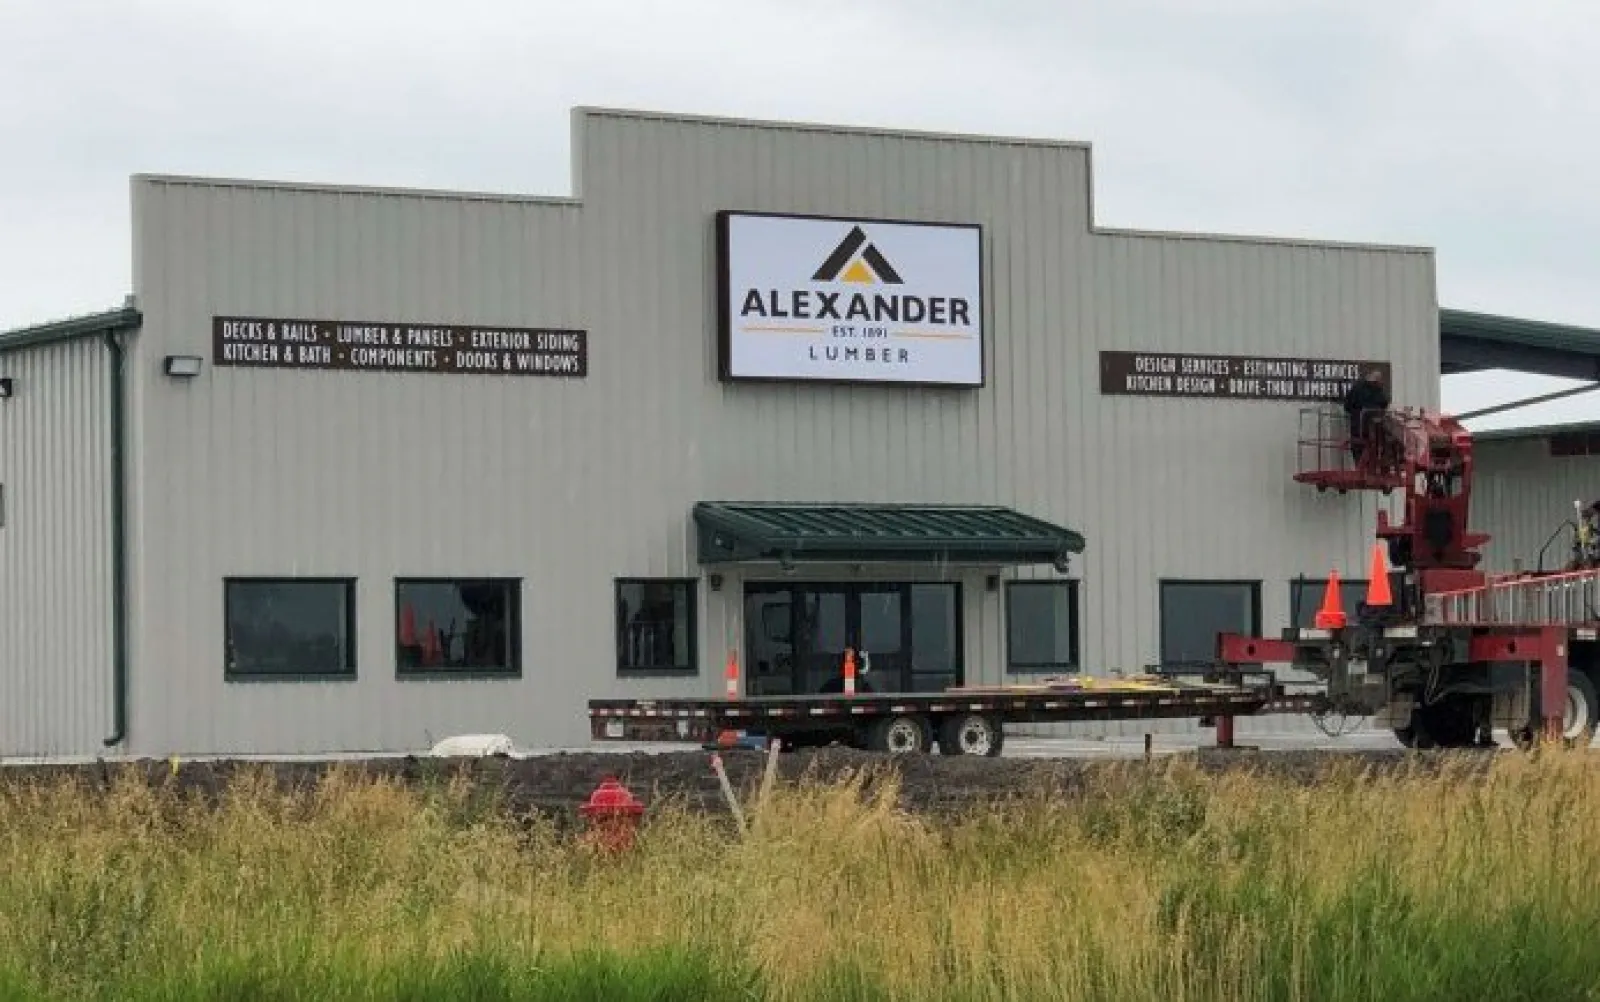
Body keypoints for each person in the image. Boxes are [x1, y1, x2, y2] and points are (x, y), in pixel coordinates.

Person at [1342, 368, 1390, 464]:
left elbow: (1347, 406)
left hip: (1359, 429)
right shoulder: (1378, 391)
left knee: (1359, 451)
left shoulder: (1356, 388)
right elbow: (1384, 404)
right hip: (1375, 433)